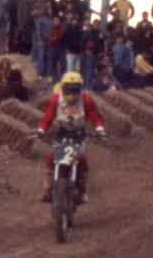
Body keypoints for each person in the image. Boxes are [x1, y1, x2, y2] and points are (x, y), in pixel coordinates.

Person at [34, 71, 105, 204]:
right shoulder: (56, 99)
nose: (71, 93)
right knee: (52, 158)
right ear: (63, 87)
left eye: (74, 89)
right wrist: (41, 129)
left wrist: (99, 129)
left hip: (79, 134)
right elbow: (48, 116)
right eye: (68, 89)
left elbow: (95, 116)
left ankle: (82, 191)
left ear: (80, 89)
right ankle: (48, 189)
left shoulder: (86, 100)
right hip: (62, 132)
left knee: (82, 160)